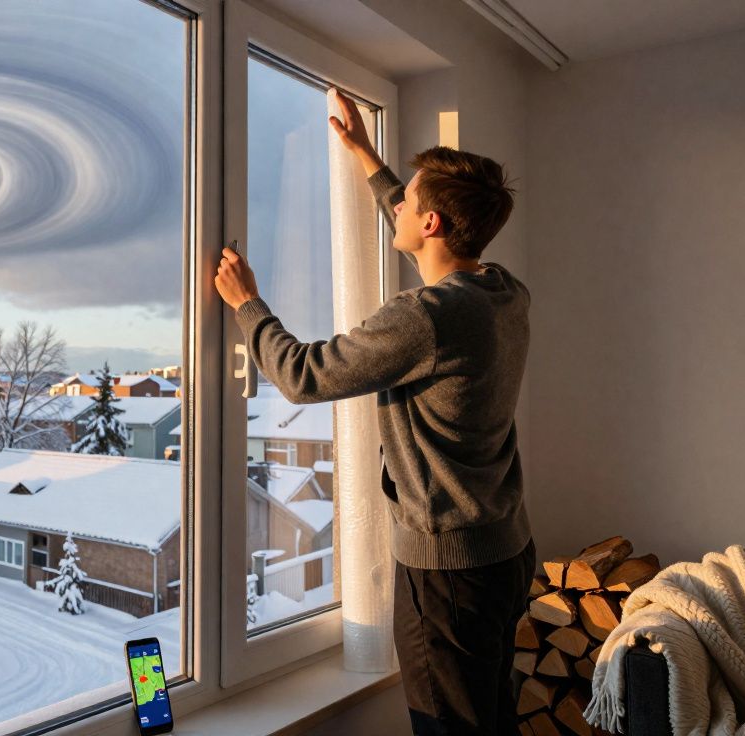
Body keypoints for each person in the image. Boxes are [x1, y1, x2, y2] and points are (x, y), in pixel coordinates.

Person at [213, 87, 535, 735]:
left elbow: (303, 376)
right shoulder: (502, 291)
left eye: (411, 203)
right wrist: (364, 153)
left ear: (432, 225)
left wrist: (248, 303)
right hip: (504, 549)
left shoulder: (425, 318)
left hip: (447, 574)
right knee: (491, 716)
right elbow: (412, 209)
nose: (400, 206)